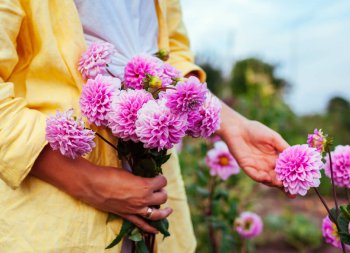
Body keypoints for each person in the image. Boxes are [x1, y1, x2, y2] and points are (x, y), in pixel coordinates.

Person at [0, 0, 289, 252]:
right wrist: (88, 181)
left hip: (155, 176)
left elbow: (171, 56)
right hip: (56, 197)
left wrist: (232, 123)